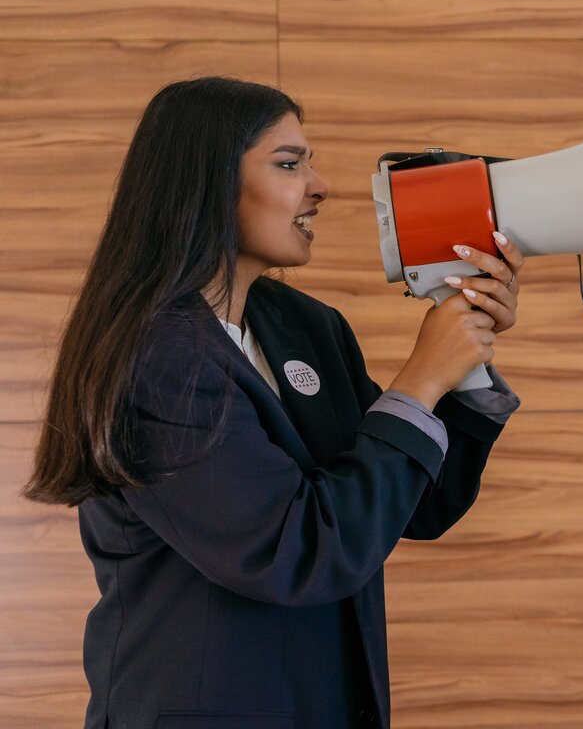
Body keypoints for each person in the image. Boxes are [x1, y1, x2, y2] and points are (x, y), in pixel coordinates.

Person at [22, 76, 524, 728]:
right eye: (289, 164)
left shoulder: (307, 326)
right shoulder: (154, 359)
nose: (320, 186)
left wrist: (464, 361)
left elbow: (410, 504)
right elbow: (295, 551)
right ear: (206, 182)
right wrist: (420, 379)